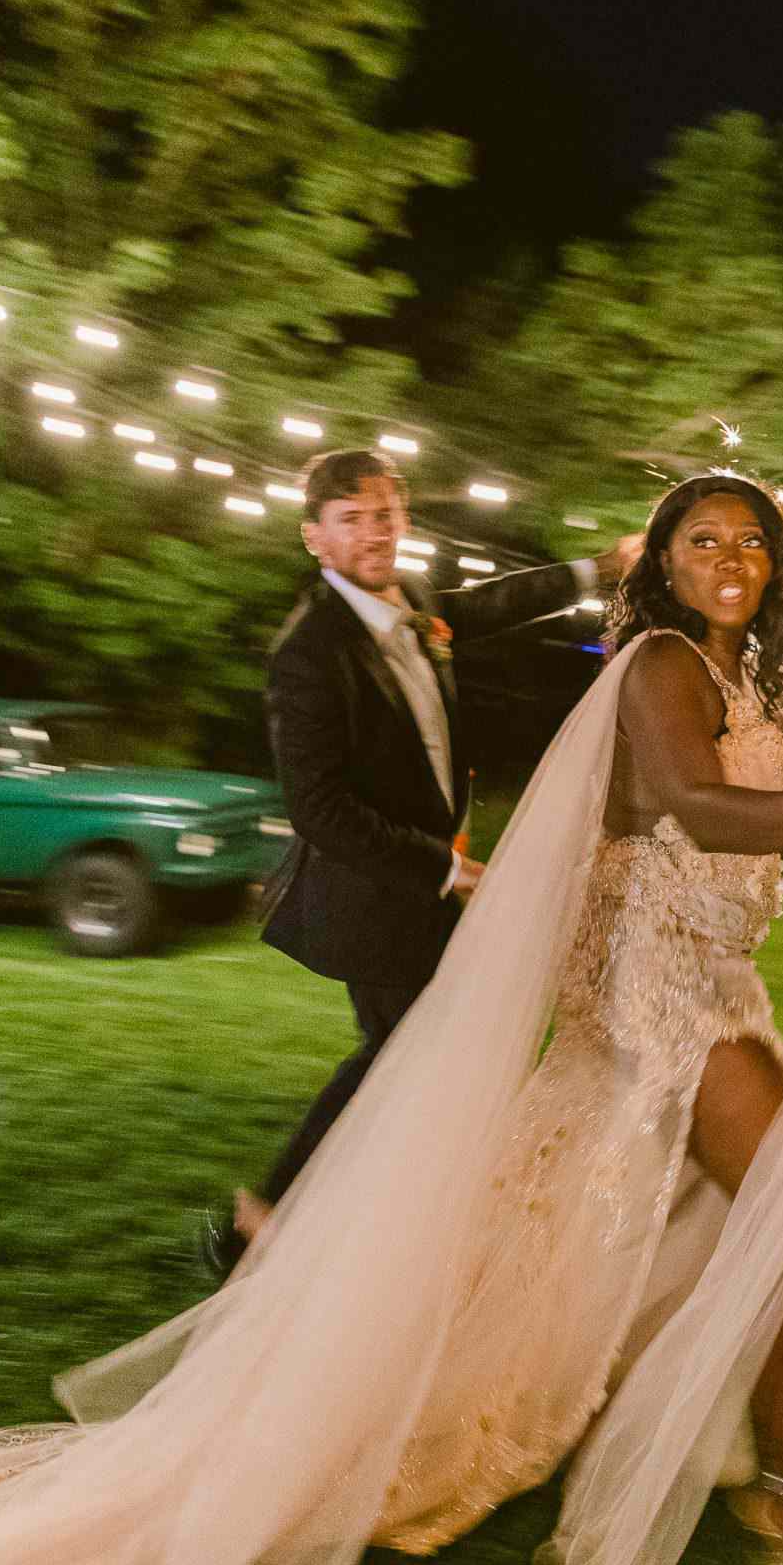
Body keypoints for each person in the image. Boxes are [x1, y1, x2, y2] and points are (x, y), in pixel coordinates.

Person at [0, 473, 783, 1565]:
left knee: (646, 1218)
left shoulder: (750, 676)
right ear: (669, 565)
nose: (732, 555)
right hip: (651, 994)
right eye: (703, 538)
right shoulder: (662, 667)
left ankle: (680, 1436)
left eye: (754, 538)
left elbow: (653, 782)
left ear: (781, 559)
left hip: (707, 976)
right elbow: (696, 804)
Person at [201, 444, 642, 1276]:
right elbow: (320, 811)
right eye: (352, 521)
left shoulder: (411, 601)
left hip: (425, 887)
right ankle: (267, 1220)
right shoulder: (307, 654)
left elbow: (496, 602)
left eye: (384, 516)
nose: (373, 534)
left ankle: (330, 1215)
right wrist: (445, 868)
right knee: (404, 1051)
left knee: (421, 1053)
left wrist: (601, 568)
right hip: (371, 895)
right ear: (315, 539)